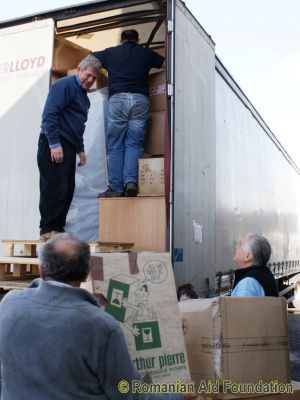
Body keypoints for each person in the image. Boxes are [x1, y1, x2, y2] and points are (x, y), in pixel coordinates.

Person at [0, 234, 196, 400]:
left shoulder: (9, 305)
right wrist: (179, 394)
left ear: (41, 270)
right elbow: (129, 394)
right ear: (87, 273)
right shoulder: (101, 327)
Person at [94, 29, 165, 198]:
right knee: (134, 143)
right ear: (138, 39)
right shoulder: (146, 53)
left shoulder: (110, 52)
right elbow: (166, 64)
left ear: (121, 40)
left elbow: (90, 59)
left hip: (117, 99)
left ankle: (116, 188)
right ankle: (130, 182)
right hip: (140, 100)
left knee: (116, 144)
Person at [38, 55, 101, 241]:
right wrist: (54, 144)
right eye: (88, 75)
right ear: (78, 70)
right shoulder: (64, 85)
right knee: (54, 187)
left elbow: (78, 126)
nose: (89, 80)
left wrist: (80, 150)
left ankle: (57, 229)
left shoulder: (85, 99)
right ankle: (48, 230)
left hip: (69, 146)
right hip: (54, 143)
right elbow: (49, 115)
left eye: (94, 78)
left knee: (67, 189)